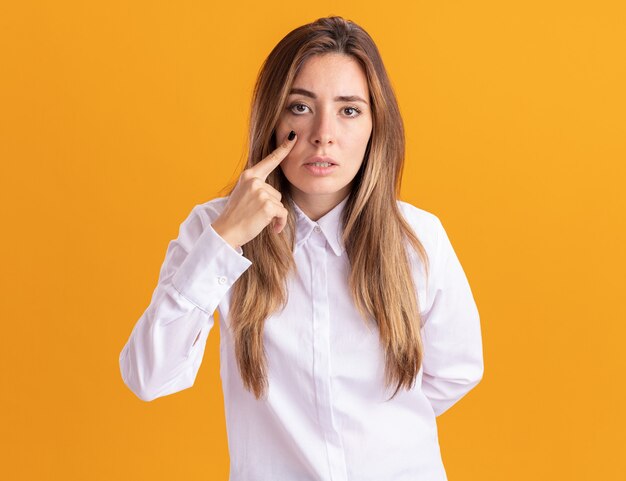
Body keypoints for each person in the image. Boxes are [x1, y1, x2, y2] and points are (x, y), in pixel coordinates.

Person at [119, 15, 484, 481]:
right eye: (300, 107)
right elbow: (149, 376)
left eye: (349, 110)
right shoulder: (212, 229)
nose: (323, 134)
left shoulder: (418, 237)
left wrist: (376, 433)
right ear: (272, 118)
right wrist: (225, 241)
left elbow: (457, 369)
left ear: (376, 125)